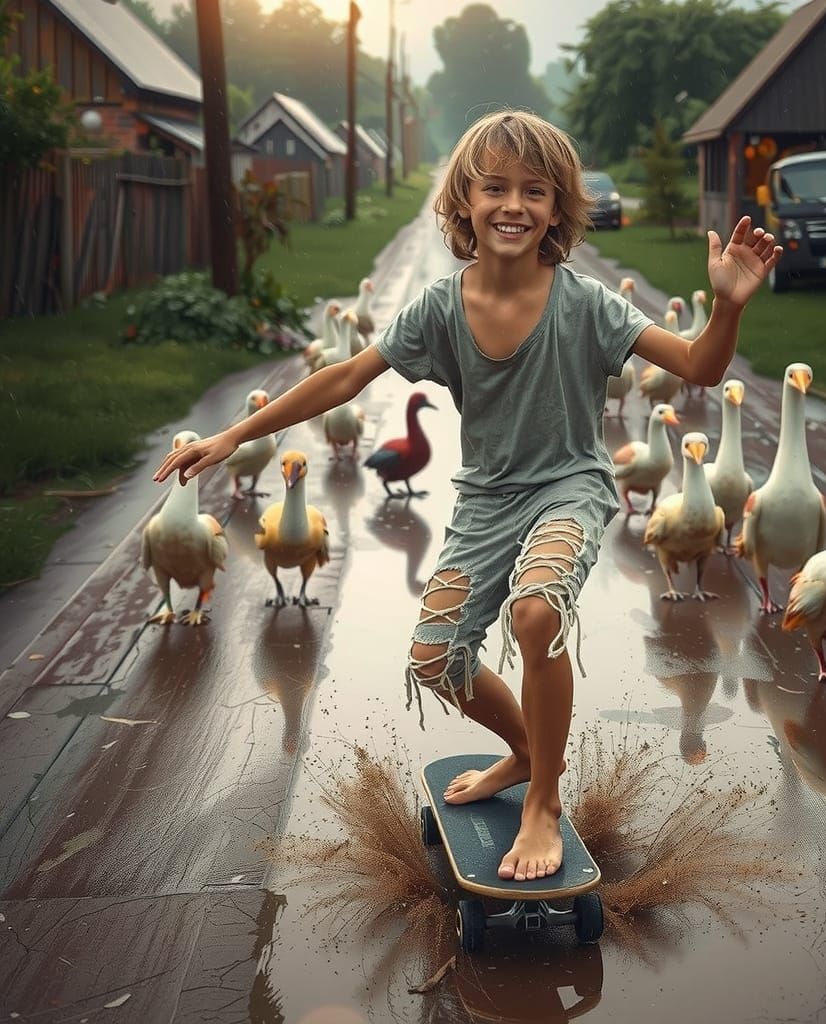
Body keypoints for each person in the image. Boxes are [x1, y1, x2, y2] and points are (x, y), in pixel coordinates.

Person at [153, 110, 782, 883]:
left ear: (557, 209)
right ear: (463, 201)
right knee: (436, 660)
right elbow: (345, 377)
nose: (513, 204)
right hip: (487, 499)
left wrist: (728, 305)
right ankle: (524, 753)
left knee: (537, 611)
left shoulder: (588, 304)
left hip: (569, 488)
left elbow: (699, 367)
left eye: (534, 190)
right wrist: (232, 435)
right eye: (494, 187)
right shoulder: (439, 309)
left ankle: (545, 800)